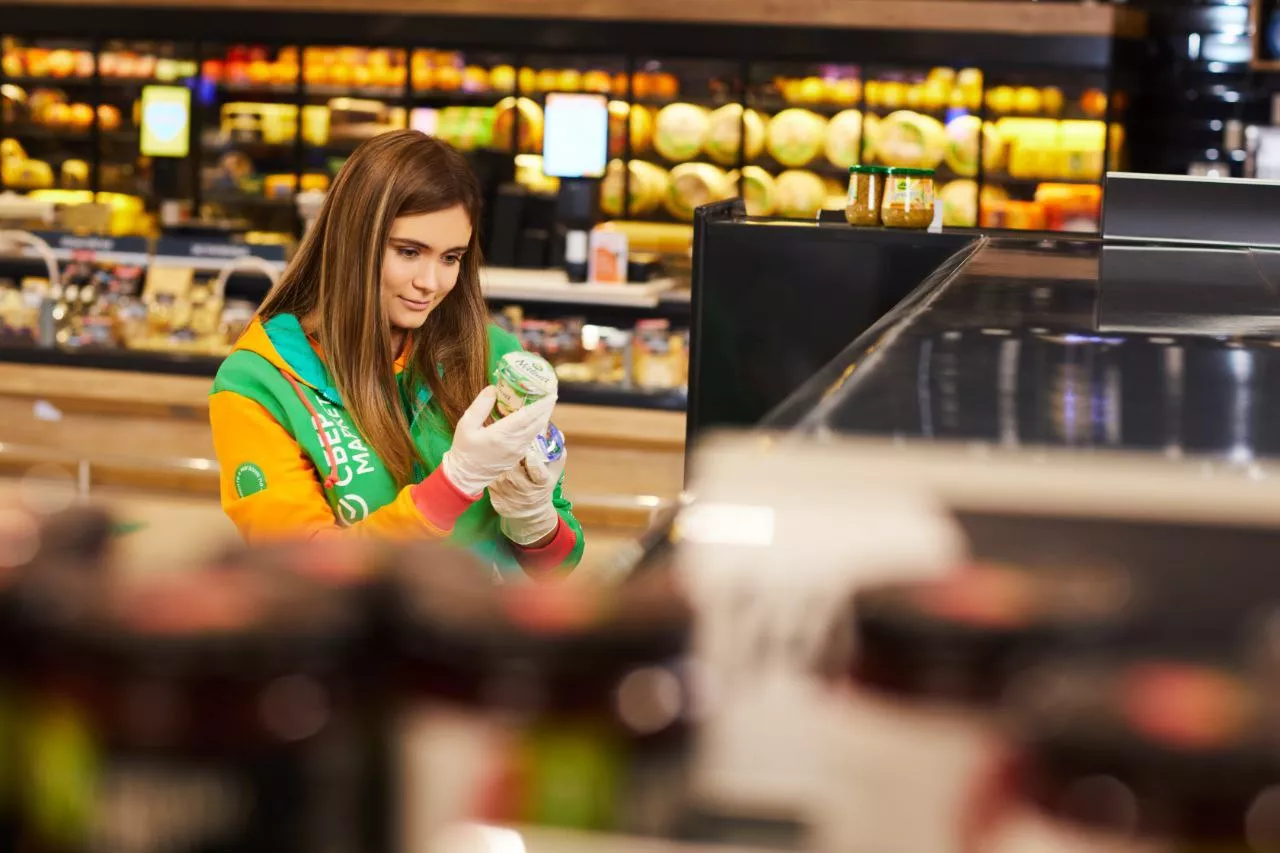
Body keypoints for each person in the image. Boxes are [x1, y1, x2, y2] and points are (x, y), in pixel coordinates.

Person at [209, 130, 582, 576]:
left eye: (451, 258)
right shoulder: (259, 382)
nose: (431, 283)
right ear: (351, 241)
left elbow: (557, 568)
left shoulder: (492, 353)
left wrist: (534, 521)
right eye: (409, 252)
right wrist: (454, 483)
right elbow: (304, 574)